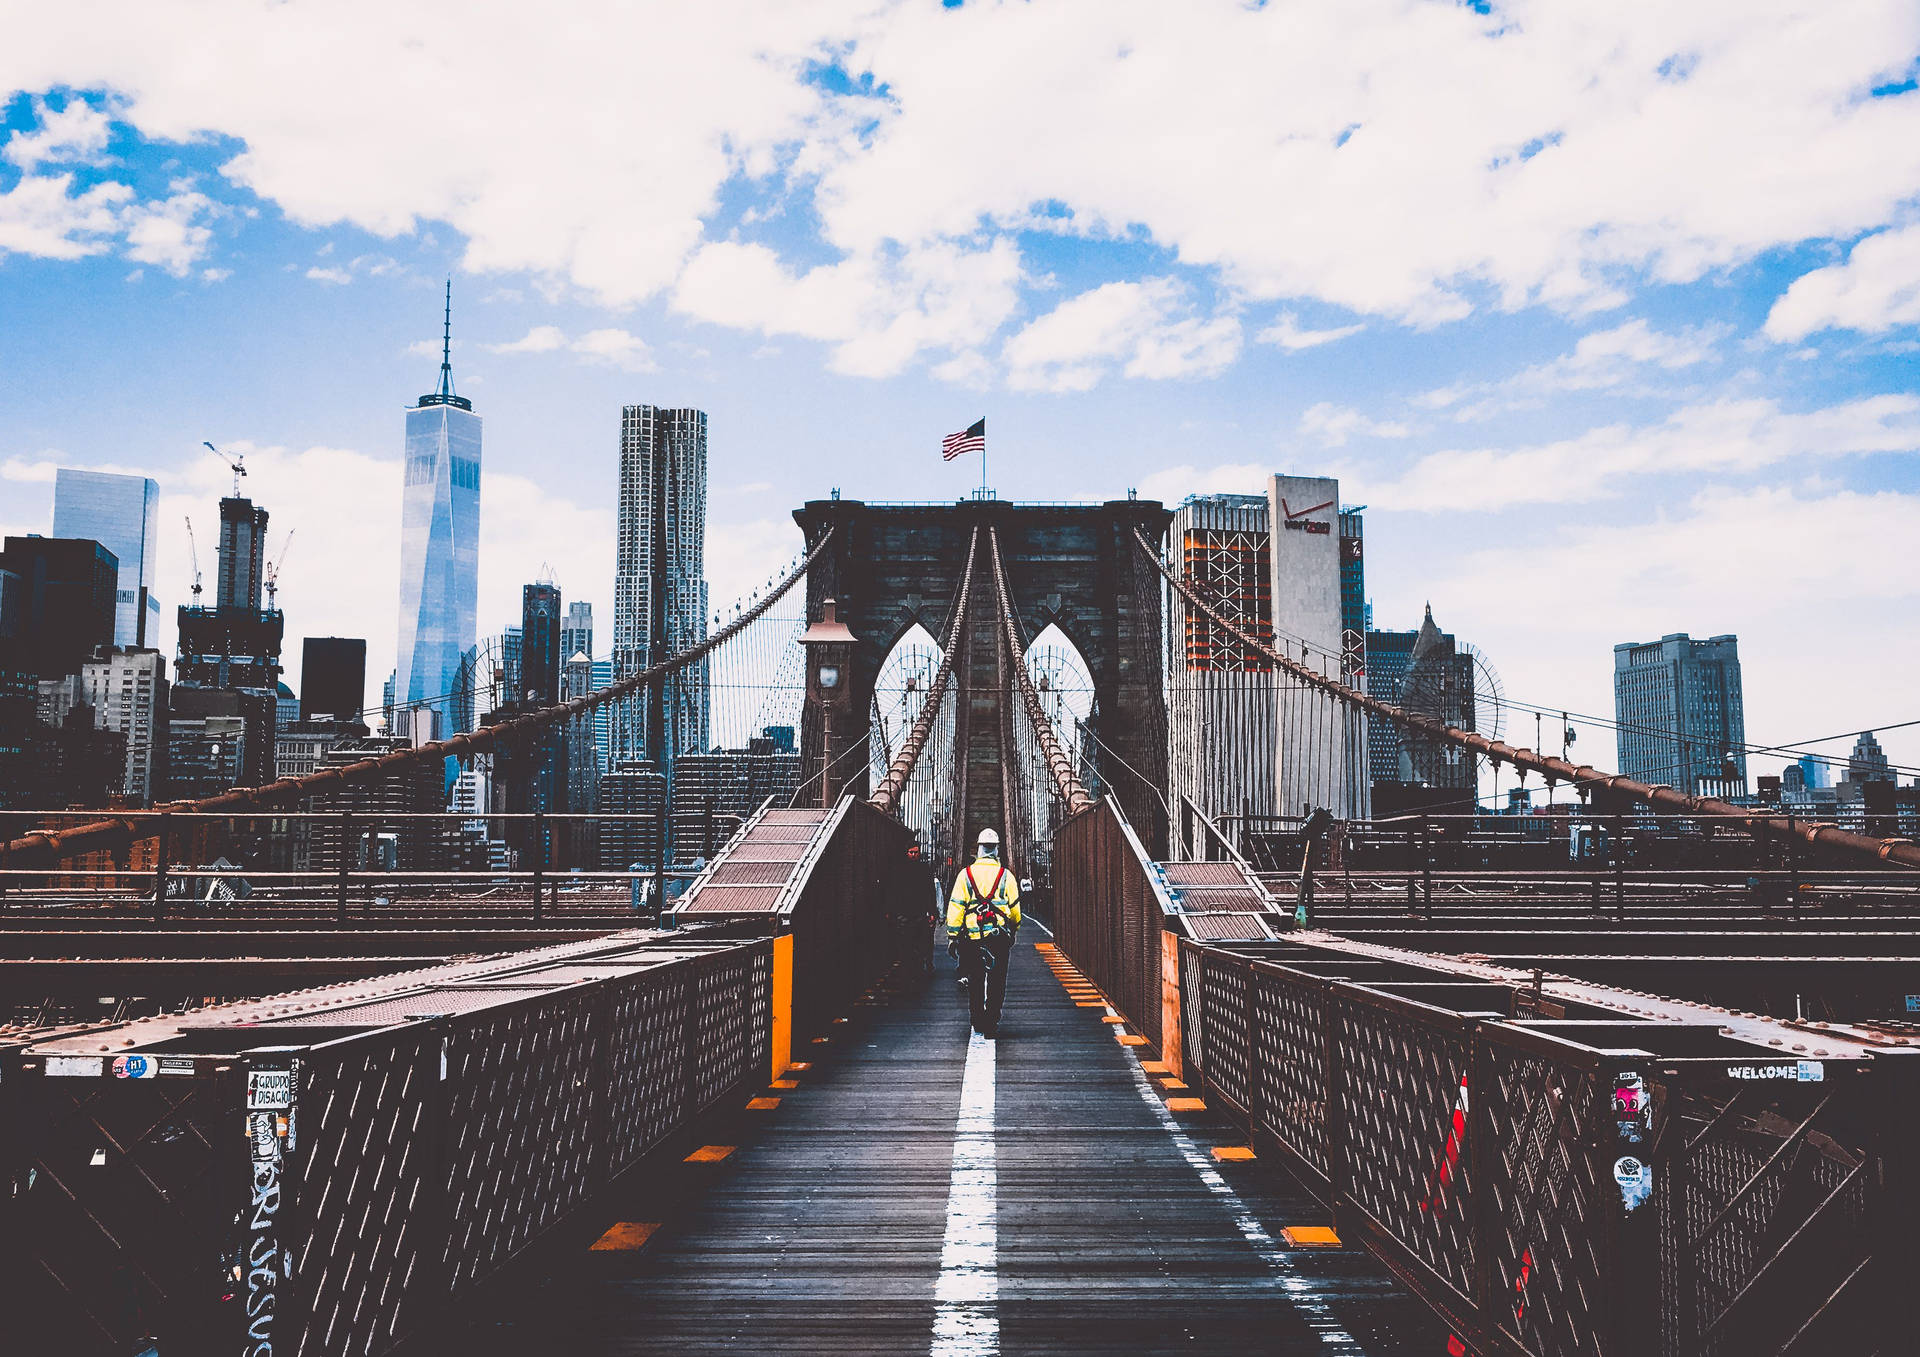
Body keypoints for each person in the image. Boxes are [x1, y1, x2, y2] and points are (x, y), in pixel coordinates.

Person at [946, 828, 1022, 1037]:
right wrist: (1014, 928)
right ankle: (992, 1020)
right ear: (997, 850)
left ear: (978, 849)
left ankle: (977, 1018)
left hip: (972, 937)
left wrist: (953, 935)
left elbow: (956, 906)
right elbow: (1015, 909)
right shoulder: (1006, 876)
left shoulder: (965, 875)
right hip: (998, 938)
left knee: (975, 979)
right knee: (997, 980)